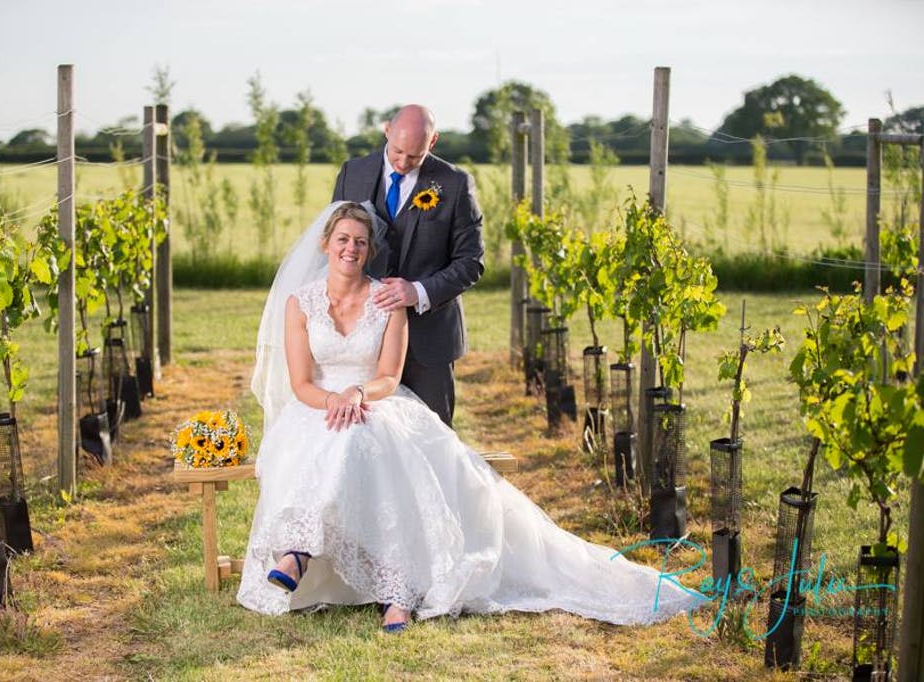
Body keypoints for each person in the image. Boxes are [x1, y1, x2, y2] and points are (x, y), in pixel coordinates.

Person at [238, 201, 707, 632]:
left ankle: (346, 573)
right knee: (336, 440)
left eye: (360, 242)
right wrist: (334, 401)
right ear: (326, 244)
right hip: (318, 407)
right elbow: (301, 384)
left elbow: (387, 376)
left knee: (363, 440)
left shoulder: (387, 300)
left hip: (375, 402)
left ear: (370, 250)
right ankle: (345, 571)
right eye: (342, 239)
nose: (351, 249)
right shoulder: (300, 303)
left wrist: (357, 394)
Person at [331, 104, 484, 426]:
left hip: (428, 342)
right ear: (386, 131)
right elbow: (336, 243)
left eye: (414, 157)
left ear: (433, 141)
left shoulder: (455, 184)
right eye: (397, 151)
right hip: (361, 340)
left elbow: (471, 262)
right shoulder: (352, 173)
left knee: (432, 438)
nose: (402, 163)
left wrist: (417, 291)